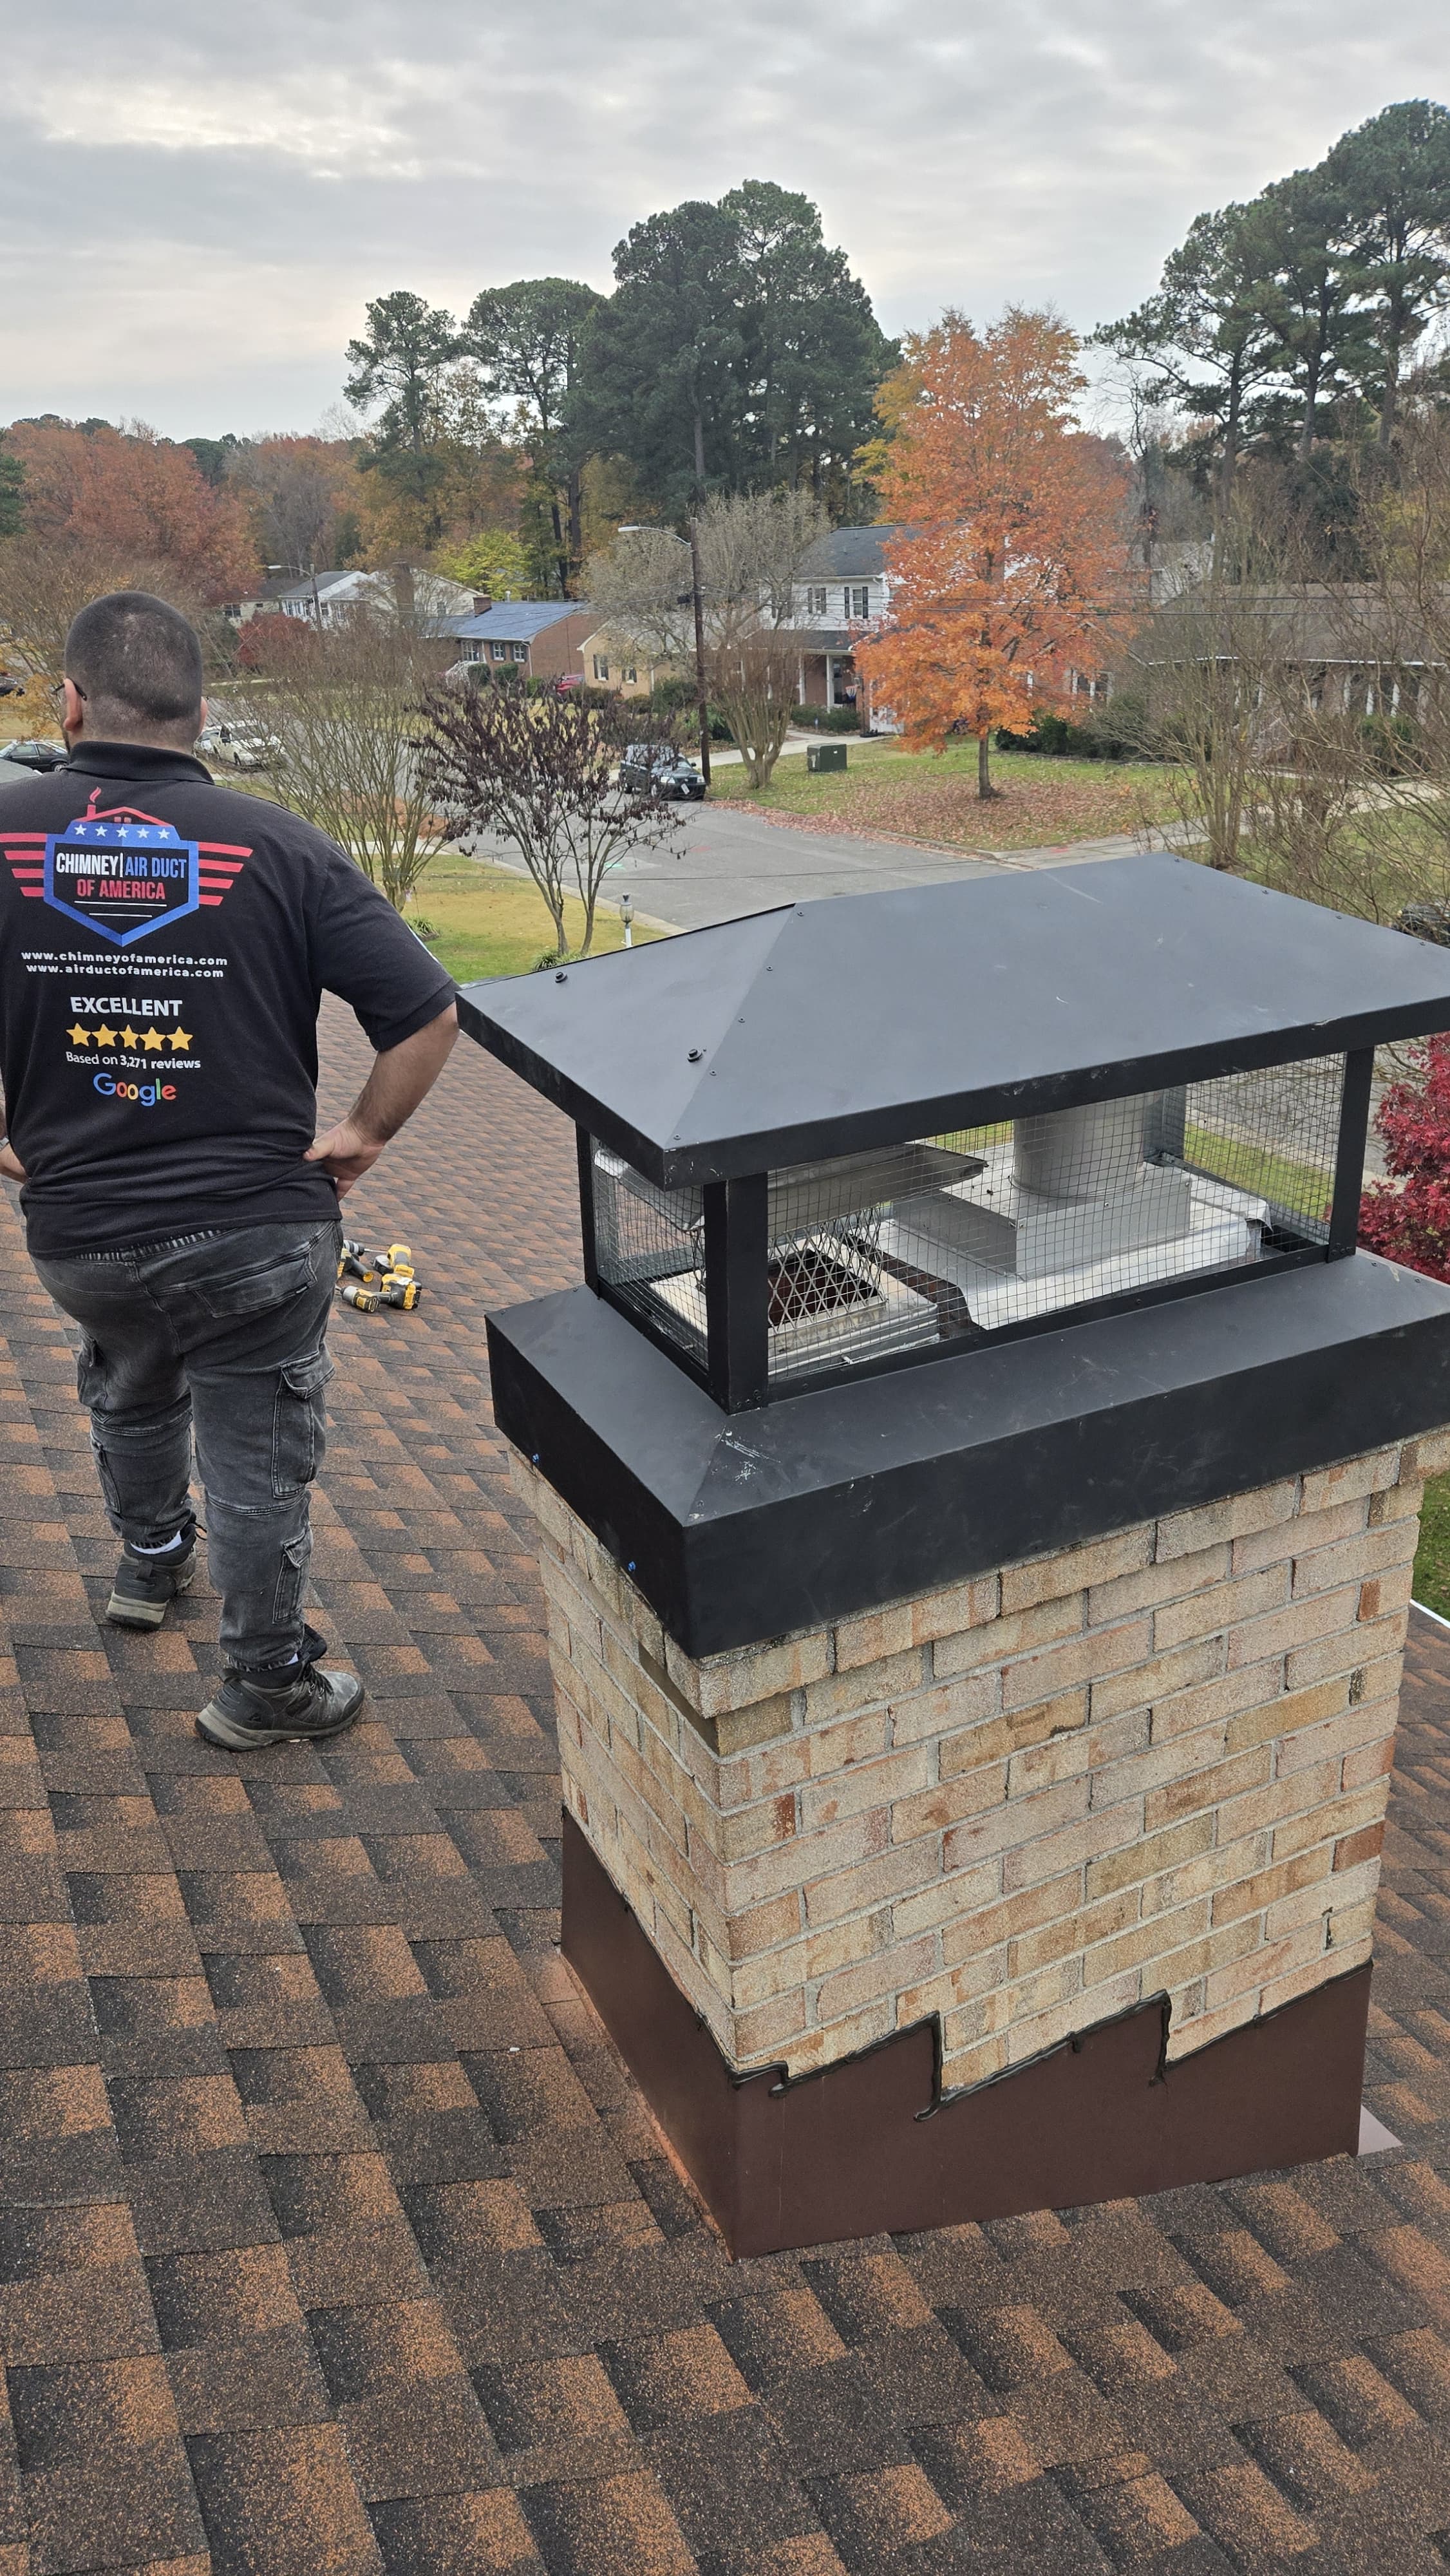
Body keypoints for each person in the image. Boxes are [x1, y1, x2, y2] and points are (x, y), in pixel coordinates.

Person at [0, 591, 457, 1750]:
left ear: (68, 702)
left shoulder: (7, 835)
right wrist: (360, 1136)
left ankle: (151, 1564)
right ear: (200, 715)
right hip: (255, 1234)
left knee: (131, 1377)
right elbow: (426, 1015)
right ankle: (265, 1683)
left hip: (82, 1233)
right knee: (254, 1449)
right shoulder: (281, 844)